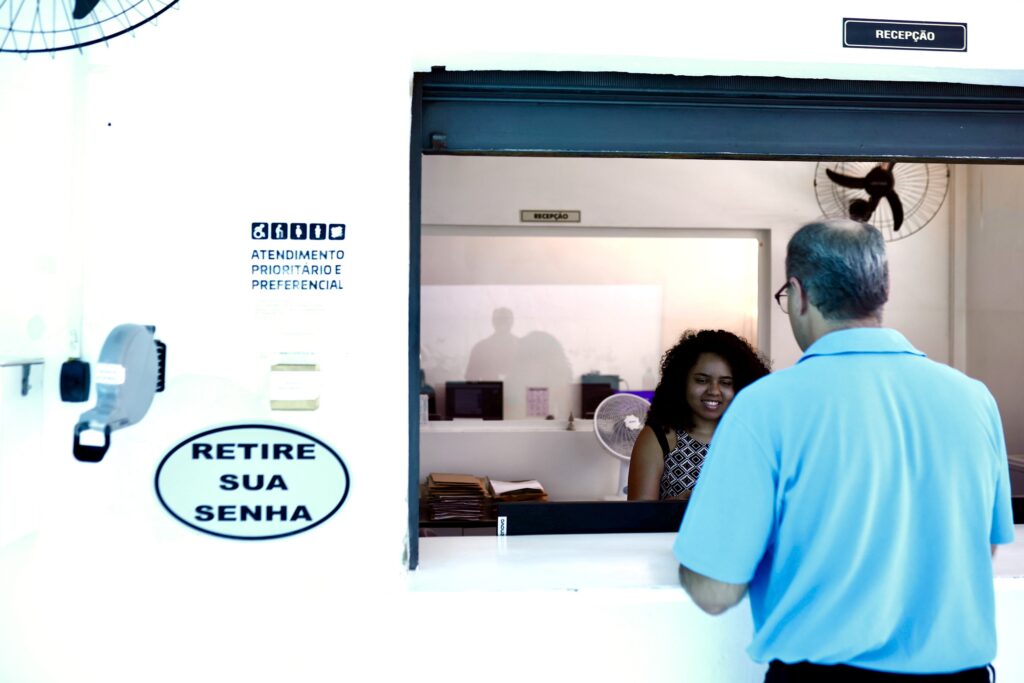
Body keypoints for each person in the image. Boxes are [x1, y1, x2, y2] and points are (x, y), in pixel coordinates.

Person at [673, 219, 1015, 681]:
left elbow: (715, 591)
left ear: (798, 293)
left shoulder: (764, 407)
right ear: (882, 291)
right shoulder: (973, 399)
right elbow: (983, 548)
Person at [627, 329, 770, 501]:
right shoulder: (658, 439)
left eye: (726, 383)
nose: (714, 391)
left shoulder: (755, 439)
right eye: (701, 380)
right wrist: (677, 506)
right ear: (681, 381)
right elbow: (638, 520)